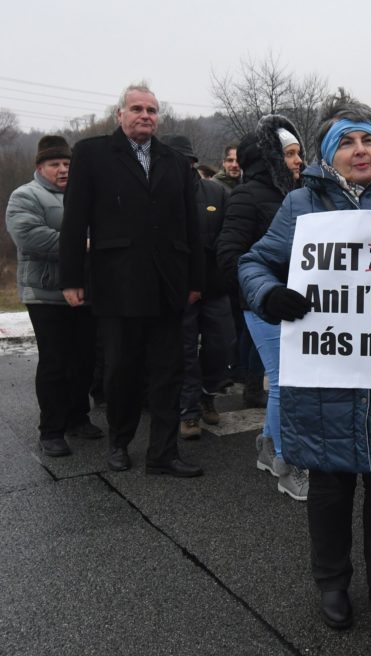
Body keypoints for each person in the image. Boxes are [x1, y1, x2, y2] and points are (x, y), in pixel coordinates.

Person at [238, 89, 371, 630]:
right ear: (328, 155)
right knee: (330, 488)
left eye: (368, 139)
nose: (359, 149)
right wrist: (269, 294)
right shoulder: (301, 204)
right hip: (326, 378)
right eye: (345, 141)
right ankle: (332, 584)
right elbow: (255, 262)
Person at [59, 82, 205, 477]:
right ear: (119, 115)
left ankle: (163, 453)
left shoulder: (174, 160)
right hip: (117, 282)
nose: (145, 116)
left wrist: (195, 279)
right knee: (121, 370)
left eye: (152, 110)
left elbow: (191, 226)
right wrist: (71, 277)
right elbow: (74, 220)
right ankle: (119, 444)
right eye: (137, 108)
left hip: (168, 285)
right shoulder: (91, 154)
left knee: (168, 371)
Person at [216, 114, 309, 500]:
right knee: (285, 380)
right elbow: (230, 255)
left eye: (299, 152)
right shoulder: (246, 196)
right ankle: (289, 463)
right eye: (289, 154)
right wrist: (263, 292)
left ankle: (268, 445)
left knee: (285, 379)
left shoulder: (298, 193)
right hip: (263, 305)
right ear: (269, 159)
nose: (299, 160)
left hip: (294, 303)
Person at [6, 135, 102, 457]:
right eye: (55, 164)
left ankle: (78, 417)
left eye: (67, 163)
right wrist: (84, 245)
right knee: (55, 362)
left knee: (84, 359)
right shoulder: (25, 196)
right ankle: (51, 430)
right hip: (46, 294)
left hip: (86, 291)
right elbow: (30, 236)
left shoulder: (85, 195)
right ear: (40, 167)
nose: (63, 169)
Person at [163, 134, 236, 439]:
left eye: (185, 161)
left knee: (223, 344)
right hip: (178, 290)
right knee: (185, 351)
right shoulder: (157, 198)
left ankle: (208, 391)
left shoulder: (216, 193)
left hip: (213, 285)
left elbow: (230, 234)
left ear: (193, 163)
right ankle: (189, 411)